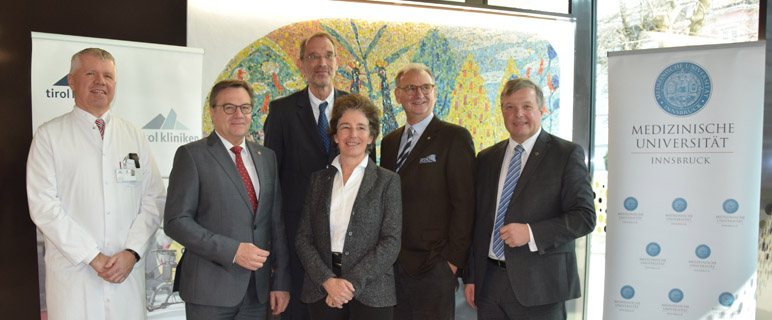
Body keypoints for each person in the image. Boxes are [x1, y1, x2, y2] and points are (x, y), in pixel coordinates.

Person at [27, 47, 166, 319]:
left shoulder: (134, 135)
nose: (100, 82)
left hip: (126, 274)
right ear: (71, 81)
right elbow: (44, 206)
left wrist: (132, 252)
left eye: (108, 76)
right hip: (74, 275)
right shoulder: (49, 136)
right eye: (90, 73)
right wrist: (91, 255)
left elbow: (154, 199)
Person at [463, 79, 596, 320]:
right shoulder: (486, 158)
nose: (518, 114)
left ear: (542, 109)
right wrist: (471, 276)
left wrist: (531, 233)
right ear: (502, 111)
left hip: (540, 286)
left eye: (526, 106)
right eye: (510, 107)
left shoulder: (565, 154)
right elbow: (477, 221)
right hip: (489, 285)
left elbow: (584, 217)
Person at [264, 30, 373, 320]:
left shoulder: (358, 108)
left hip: (350, 251)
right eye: (313, 56)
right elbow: (271, 183)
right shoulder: (282, 111)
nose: (321, 63)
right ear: (301, 64)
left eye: (328, 56)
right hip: (298, 245)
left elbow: (370, 181)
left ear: (337, 62)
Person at [164, 79, 290, 319]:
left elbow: (276, 224)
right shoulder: (192, 155)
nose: (238, 114)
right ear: (213, 112)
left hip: (257, 293)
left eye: (245, 107)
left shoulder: (267, 157)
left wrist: (281, 282)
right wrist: (233, 251)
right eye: (229, 107)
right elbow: (176, 221)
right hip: (209, 292)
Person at [380, 63, 476, 320]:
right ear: (397, 94)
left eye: (425, 87)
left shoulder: (454, 137)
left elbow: (465, 204)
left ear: (434, 92)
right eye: (410, 88)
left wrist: (451, 263)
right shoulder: (389, 143)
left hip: (434, 265)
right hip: (392, 266)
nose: (419, 94)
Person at [295, 94, 402, 320]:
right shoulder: (318, 180)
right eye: (345, 127)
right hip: (322, 291)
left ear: (371, 136)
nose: (353, 134)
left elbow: (391, 242)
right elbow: (303, 238)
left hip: (372, 293)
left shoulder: (388, 181)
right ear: (335, 135)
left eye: (361, 128)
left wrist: (349, 284)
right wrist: (328, 281)